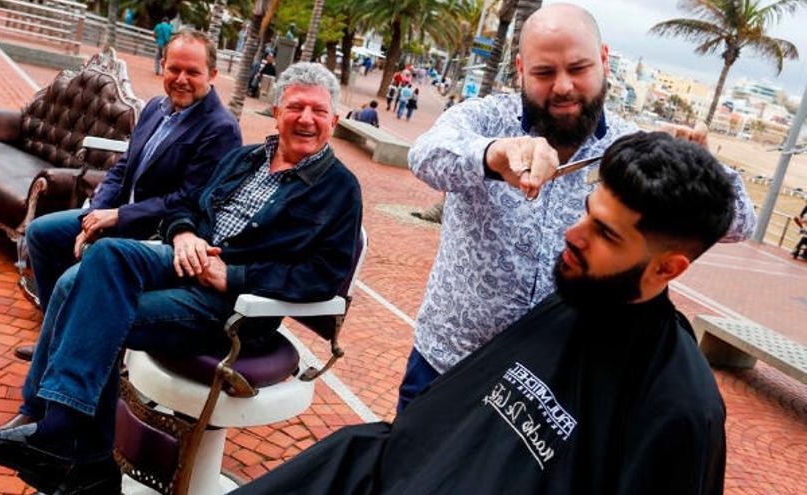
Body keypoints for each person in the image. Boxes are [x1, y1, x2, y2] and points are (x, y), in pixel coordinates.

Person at [229, 132, 732, 495]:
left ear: (669, 267)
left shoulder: (681, 410)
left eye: (607, 234)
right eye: (586, 212)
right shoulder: (570, 303)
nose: (573, 235)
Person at [0, 62, 363, 494]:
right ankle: (55, 432)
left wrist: (232, 276)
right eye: (296, 106)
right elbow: (188, 207)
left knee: (81, 296)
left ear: (333, 119)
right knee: (101, 259)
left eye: (318, 110)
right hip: (184, 264)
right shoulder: (246, 158)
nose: (306, 119)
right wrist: (182, 234)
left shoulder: (339, 189)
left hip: (230, 308)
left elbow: (323, 278)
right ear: (277, 111)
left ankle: (69, 444)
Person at [400, 3, 756, 413]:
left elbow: (738, 223)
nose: (563, 87)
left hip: (553, 388)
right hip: (448, 362)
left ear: (603, 61)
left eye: (579, 68)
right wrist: (495, 155)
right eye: (544, 73)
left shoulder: (628, 148)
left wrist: (705, 172)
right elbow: (425, 155)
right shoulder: (486, 118)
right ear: (520, 69)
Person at [15, 29, 242, 361]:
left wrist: (118, 216)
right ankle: (56, 337)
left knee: (78, 278)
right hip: (117, 216)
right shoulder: (156, 107)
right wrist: (95, 210)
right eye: (174, 69)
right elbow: (123, 167)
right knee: (42, 233)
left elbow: (189, 199)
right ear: (162, 66)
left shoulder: (220, 128)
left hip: (157, 233)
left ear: (212, 75)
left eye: (192, 72)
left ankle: (67, 349)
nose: (181, 79)